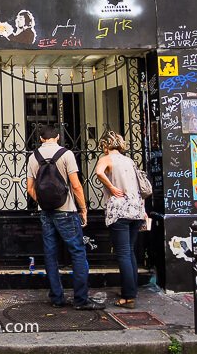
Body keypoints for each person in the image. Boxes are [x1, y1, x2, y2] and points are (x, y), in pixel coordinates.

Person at [27, 125, 104, 310]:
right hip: (66, 210)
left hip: (45, 212)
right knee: (77, 252)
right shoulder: (66, 154)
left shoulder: (33, 157)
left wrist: (44, 202)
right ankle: (81, 299)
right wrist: (83, 208)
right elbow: (76, 185)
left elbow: (30, 188)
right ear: (58, 137)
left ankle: (56, 297)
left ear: (41, 139)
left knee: (50, 254)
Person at [94, 130, 146, 309]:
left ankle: (128, 296)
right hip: (136, 210)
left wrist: (111, 187)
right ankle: (131, 290)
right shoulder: (129, 160)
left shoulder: (106, 159)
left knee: (123, 253)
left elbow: (99, 173)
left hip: (120, 211)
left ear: (105, 145)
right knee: (129, 251)